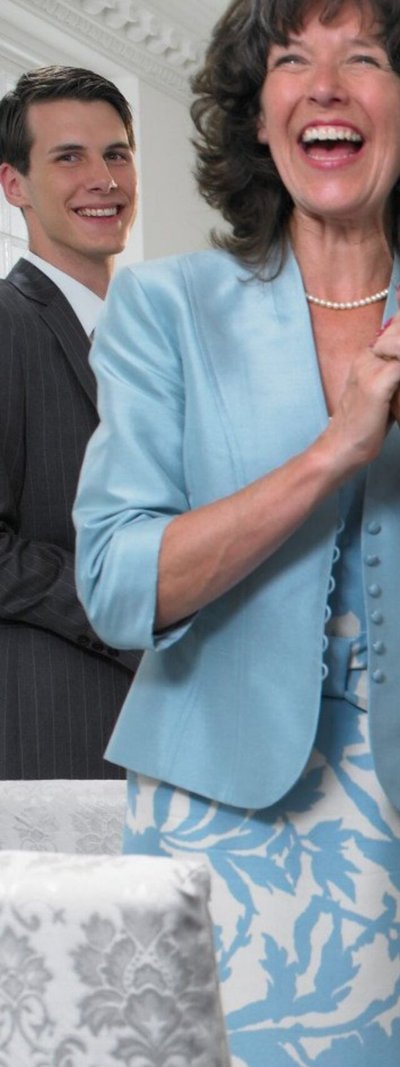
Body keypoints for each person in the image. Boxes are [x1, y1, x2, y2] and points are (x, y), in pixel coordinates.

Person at [72, 1, 400, 1062]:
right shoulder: (164, 306)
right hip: (206, 817)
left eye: (364, 60)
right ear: (258, 117)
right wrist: (332, 452)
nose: (326, 85)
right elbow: (120, 585)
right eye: (291, 60)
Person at [0, 66, 139, 779]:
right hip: (50, 738)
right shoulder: (6, 322)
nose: (103, 178)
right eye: (69, 157)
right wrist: (137, 602)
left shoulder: (145, 342)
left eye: (116, 153)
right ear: (14, 185)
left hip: (157, 737)